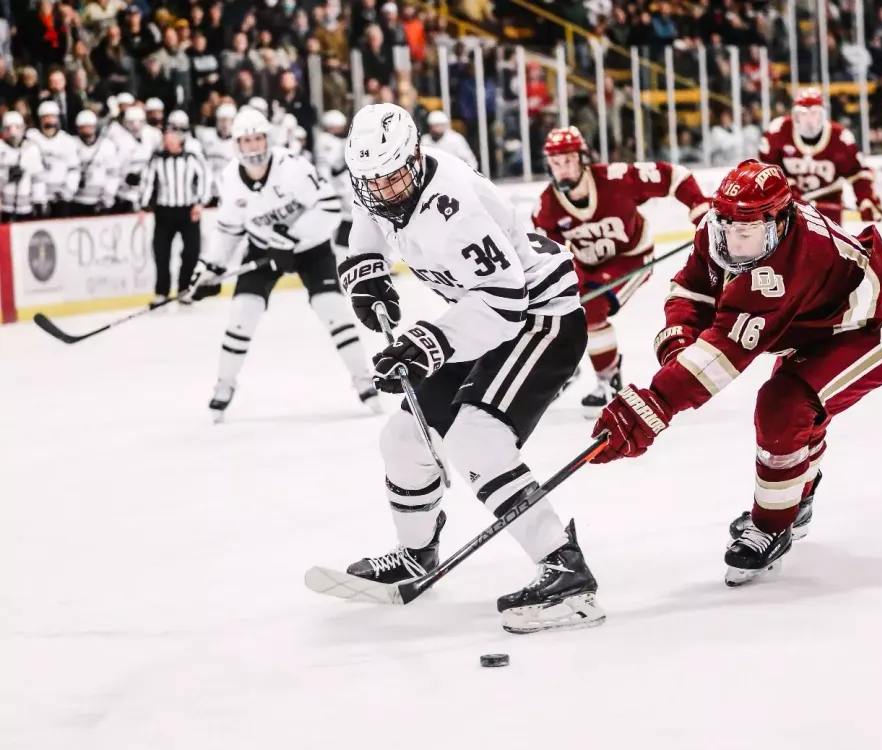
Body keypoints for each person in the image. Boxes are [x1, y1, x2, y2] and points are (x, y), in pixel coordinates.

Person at [335, 103, 605, 634]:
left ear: (414, 157)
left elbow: (505, 304)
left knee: (475, 439)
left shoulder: (453, 205)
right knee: (404, 440)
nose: (384, 191)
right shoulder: (382, 179)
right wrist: (364, 276)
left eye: (393, 179)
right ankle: (417, 555)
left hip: (538, 320)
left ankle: (566, 570)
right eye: (374, 182)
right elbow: (367, 226)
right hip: (480, 315)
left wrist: (426, 343)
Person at [589, 160, 882, 586]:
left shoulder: (793, 261)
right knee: (796, 414)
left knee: (785, 406)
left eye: (749, 232)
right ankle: (797, 496)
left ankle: (772, 525)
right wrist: (678, 343)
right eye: (729, 228)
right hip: (812, 325)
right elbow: (692, 289)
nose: (736, 243)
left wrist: (652, 406)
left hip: (870, 330)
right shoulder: (719, 227)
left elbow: (724, 353)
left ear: (779, 220)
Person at [186, 108, 381, 422]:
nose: (253, 147)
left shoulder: (292, 167)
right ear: (237, 144)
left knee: (332, 311)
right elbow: (228, 231)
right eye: (246, 141)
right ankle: (223, 386)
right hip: (263, 250)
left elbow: (330, 207)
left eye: (258, 138)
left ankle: (364, 382)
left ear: (268, 139)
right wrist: (208, 266)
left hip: (311, 249)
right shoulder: (230, 180)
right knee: (241, 316)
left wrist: (293, 237)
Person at [530, 126, 710, 416]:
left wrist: (699, 206)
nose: (562, 169)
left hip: (631, 258)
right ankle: (565, 366)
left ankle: (608, 380)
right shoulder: (546, 207)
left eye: (568, 160)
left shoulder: (615, 178)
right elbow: (551, 258)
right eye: (555, 162)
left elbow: (674, 176)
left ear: (582, 158)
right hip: (585, 267)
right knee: (558, 308)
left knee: (591, 307)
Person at [758, 87, 882, 225]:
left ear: (823, 115)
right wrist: (787, 187)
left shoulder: (840, 138)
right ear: (795, 115)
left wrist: (865, 199)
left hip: (827, 210)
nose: (808, 120)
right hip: (788, 209)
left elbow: (858, 173)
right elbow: (764, 172)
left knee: (824, 246)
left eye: (814, 113)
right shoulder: (778, 131)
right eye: (803, 114)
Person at [140, 119, 210, 304]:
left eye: (171, 137)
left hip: (188, 210)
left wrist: (200, 203)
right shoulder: (157, 159)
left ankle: (184, 289)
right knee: (161, 252)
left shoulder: (192, 157)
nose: (167, 141)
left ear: (180, 139)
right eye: (166, 138)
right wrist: (143, 205)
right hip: (164, 211)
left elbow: (204, 178)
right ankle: (162, 291)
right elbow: (148, 182)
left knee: (191, 252)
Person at [26, 101, 80, 217]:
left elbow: (73, 170)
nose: (49, 121)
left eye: (52, 117)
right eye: (46, 117)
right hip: (36, 197)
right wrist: (38, 196)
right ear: (40, 119)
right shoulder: (31, 138)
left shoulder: (67, 141)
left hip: (60, 197)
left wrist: (67, 192)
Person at [312, 109, 353, 257]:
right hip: (333, 189)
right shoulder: (326, 141)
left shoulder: (328, 140)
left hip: (335, 188)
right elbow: (333, 168)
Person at [71, 110, 121, 216]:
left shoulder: (107, 146)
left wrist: (107, 197)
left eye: (89, 127)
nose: (87, 131)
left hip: (100, 201)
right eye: (84, 127)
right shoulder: (71, 144)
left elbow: (114, 174)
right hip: (76, 200)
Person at [0, 112, 48, 222]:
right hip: (4, 208)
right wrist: (6, 176)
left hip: (26, 208)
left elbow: (38, 179)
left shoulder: (31, 149)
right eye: (8, 128)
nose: (13, 133)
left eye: (17, 127)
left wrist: (39, 201)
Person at [109, 106, 155, 213]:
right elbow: (115, 166)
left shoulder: (152, 135)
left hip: (146, 185)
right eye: (131, 122)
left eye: (139, 122)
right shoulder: (119, 139)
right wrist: (125, 177)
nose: (135, 126)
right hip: (125, 189)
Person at [197, 103, 238, 205]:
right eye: (222, 120)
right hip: (208, 190)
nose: (225, 125)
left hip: (229, 191)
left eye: (228, 121)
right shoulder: (206, 136)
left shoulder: (238, 142)